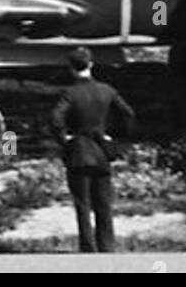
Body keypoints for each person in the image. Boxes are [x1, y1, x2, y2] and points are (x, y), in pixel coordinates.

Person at [49, 47, 135, 253]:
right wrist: (117, 138)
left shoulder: (70, 93)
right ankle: (107, 248)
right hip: (102, 152)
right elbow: (128, 114)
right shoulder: (107, 90)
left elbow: (55, 119)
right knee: (104, 206)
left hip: (78, 154)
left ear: (71, 68)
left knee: (83, 207)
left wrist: (65, 139)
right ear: (91, 64)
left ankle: (88, 251)